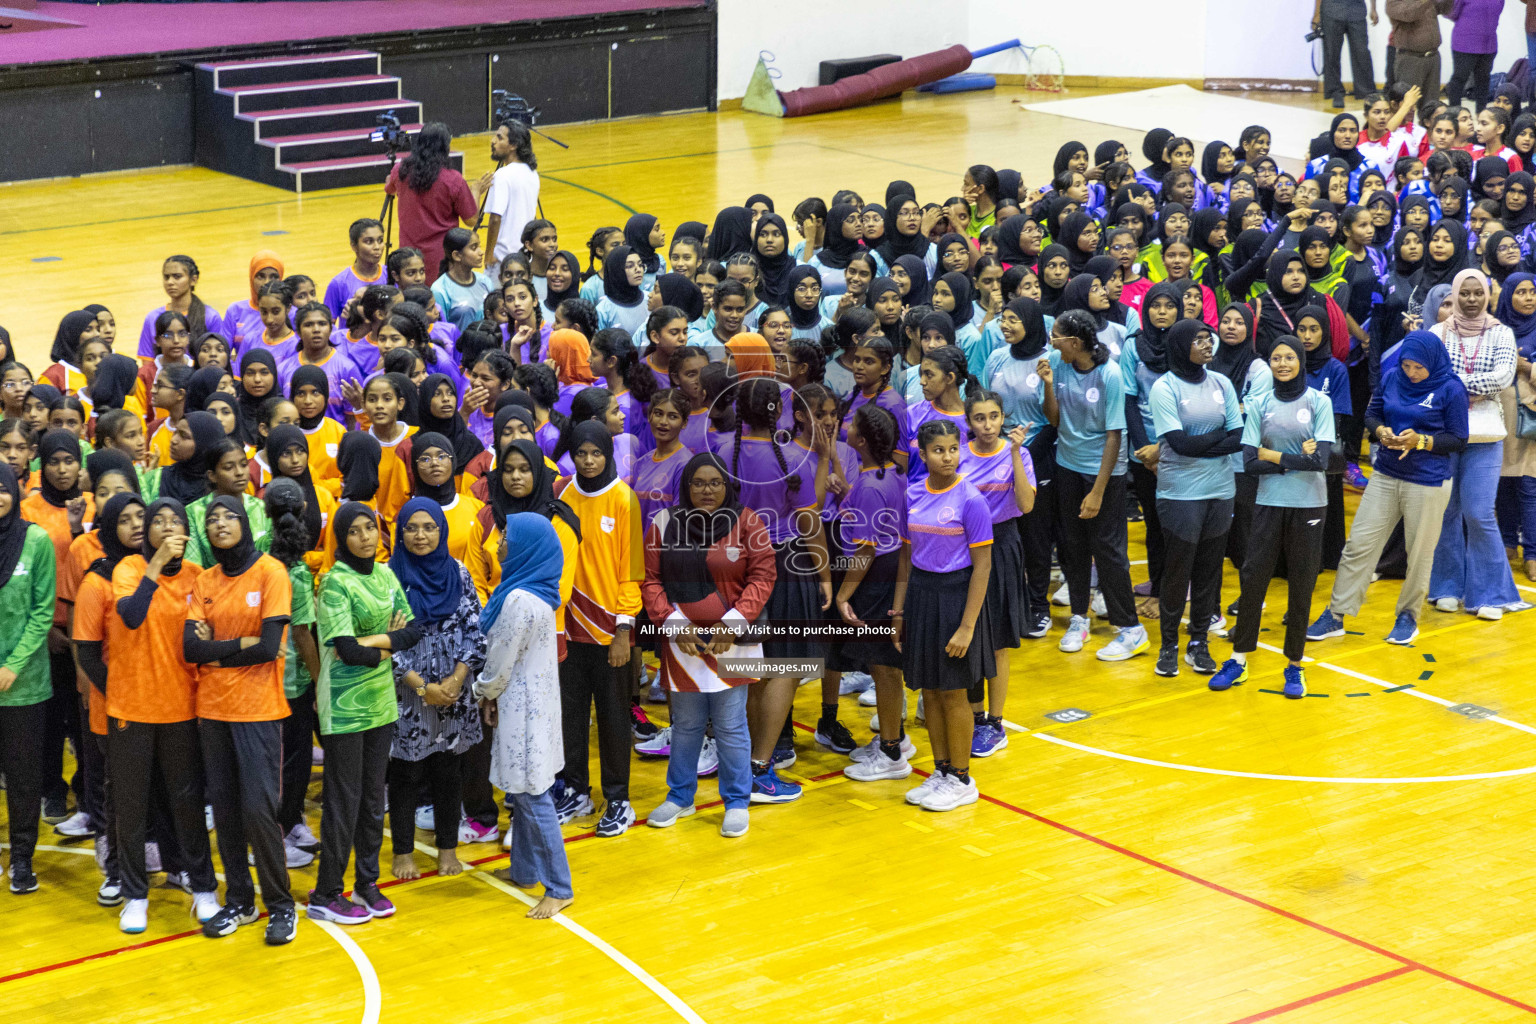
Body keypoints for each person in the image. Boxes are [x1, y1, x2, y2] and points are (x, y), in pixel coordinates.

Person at [640, 452, 774, 837]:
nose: (707, 490)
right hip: (684, 644)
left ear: (727, 485)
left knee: (731, 726)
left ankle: (737, 801)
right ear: (686, 487)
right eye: (698, 483)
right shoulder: (664, 523)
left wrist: (733, 623)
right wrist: (672, 623)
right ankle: (680, 797)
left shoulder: (749, 522)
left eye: (715, 482)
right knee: (685, 726)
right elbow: (650, 580)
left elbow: (763, 576)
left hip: (733, 642)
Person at [182, 495, 297, 943]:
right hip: (212, 711)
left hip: (258, 711)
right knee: (226, 811)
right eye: (212, 518)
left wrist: (219, 652)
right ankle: (241, 902)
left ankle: (281, 905)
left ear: (246, 522)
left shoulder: (271, 572)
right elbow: (191, 650)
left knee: (258, 810)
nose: (220, 523)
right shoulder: (205, 580)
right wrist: (241, 644)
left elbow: (270, 647)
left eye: (229, 515)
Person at [106, 497, 221, 933]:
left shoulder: (198, 577)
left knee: (188, 803)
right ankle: (135, 895)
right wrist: (155, 564)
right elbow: (132, 616)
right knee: (131, 808)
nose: (168, 527)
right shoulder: (128, 570)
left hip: (182, 707)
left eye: (176, 521)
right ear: (149, 532)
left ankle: (204, 888)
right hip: (132, 706)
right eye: (159, 522)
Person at [1309, 331, 1469, 645]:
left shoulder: (1451, 388)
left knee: (1418, 553)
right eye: (1407, 365)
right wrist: (1381, 431)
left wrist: (1421, 441)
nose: (1412, 372)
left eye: (1418, 368)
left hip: (1428, 481)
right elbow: (1372, 414)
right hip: (1385, 473)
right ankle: (1336, 613)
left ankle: (1407, 616)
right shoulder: (1393, 377)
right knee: (1359, 545)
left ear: (1433, 362)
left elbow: (1459, 440)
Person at [308, 502, 421, 925]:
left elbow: (413, 631)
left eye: (369, 529)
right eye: (353, 532)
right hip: (342, 708)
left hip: (381, 704)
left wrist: (376, 639)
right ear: (341, 538)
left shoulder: (385, 573)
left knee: (375, 800)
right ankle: (326, 892)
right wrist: (386, 640)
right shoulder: (334, 583)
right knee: (344, 800)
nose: (364, 538)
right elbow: (347, 652)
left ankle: (366, 882)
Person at [1210, 338, 1335, 698]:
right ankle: (1238, 659)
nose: (1282, 363)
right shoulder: (1260, 403)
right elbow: (1250, 463)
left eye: (1289, 357)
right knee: (1253, 580)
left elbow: (1321, 462)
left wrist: (1274, 456)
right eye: (1276, 357)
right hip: (1268, 503)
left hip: (1309, 505)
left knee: (1301, 584)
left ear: (1301, 361)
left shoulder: (1318, 402)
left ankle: (1295, 666)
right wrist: (1296, 457)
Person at [473, 512, 573, 918]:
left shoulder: (516, 600)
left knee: (532, 796)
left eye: (506, 538)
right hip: (536, 705)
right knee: (524, 790)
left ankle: (560, 886)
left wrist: (483, 692)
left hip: (523, 710)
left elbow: (499, 663)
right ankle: (524, 868)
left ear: (527, 547)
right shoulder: (538, 592)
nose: (497, 544)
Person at [386, 498, 487, 880]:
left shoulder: (458, 573)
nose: (421, 535)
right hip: (408, 689)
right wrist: (421, 686)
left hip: (453, 689)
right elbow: (385, 641)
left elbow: (474, 629)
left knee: (449, 770)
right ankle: (403, 852)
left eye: (429, 527)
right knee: (406, 773)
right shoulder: (389, 577)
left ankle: (448, 849)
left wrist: (457, 679)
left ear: (442, 531)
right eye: (412, 527)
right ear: (400, 533)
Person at [895, 420, 992, 811]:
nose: (947, 457)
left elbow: (982, 567)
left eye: (953, 449)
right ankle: (941, 770)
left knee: (953, 692)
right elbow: (905, 560)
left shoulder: (972, 500)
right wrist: (898, 613)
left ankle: (962, 778)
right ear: (923, 453)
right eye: (939, 450)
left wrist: (967, 627)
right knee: (930, 691)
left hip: (956, 598)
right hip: (921, 596)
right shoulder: (911, 495)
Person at [553, 422, 643, 835]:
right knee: (570, 716)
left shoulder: (624, 499)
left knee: (612, 718)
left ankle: (619, 798)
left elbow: (632, 572)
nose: (588, 461)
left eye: (596, 453)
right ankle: (576, 789)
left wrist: (623, 631)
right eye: (580, 453)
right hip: (569, 629)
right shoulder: (563, 494)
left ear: (608, 453)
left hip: (610, 632)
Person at [1148, 320, 1242, 677]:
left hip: (1221, 489)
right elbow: (1179, 445)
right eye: (1198, 340)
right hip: (1180, 491)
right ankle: (1169, 644)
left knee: (1209, 571)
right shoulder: (1165, 387)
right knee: (1178, 570)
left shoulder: (1222, 383)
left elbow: (1240, 435)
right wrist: (1218, 438)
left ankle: (1198, 641)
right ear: (1180, 346)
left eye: (1208, 339)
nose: (1207, 345)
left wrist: (1208, 440)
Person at [1426, 267, 1521, 617]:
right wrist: (1461, 387)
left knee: (1479, 513)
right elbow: (1431, 377)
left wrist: (1455, 386)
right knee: (1445, 513)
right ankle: (1446, 587)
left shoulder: (1502, 334)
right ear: (1454, 295)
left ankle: (1492, 595)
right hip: (1444, 435)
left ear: (1487, 295)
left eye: (1477, 293)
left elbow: (1502, 377)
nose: (1470, 300)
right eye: (1463, 294)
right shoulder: (1437, 333)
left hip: (1485, 436)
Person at [0, 462, 56, 896]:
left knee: (23, 778)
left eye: (2, 489)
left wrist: (12, 665)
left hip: (25, 686)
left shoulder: (36, 541)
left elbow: (42, 613)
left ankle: (22, 859)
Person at [385, 123, 482, 286]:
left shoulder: (400, 170)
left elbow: (390, 189)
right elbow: (471, 220)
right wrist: (476, 192)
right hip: (441, 256)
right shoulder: (453, 179)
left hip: (410, 255)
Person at [483, 120, 540, 264]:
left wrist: (488, 256)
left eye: (500, 137)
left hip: (502, 258)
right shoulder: (532, 173)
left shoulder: (502, 175)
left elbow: (495, 219)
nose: (493, 141)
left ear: (514, 145)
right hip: (525, 256)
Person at [1386, 1, 1453, 107]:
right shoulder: (1393, 2)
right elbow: (1409, 15)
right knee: (1407, 105)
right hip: (1410, 60)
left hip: (1433, 57)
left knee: (1432, 107)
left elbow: (1444, 9)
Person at [1445, 0, 1503, 111]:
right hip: (1465, 43)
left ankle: (1481, 113)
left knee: (1483, 79)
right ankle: (1454, 114)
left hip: (1488, 44)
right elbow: (1451, 12)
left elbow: (1498, 9)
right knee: (1460, 78)